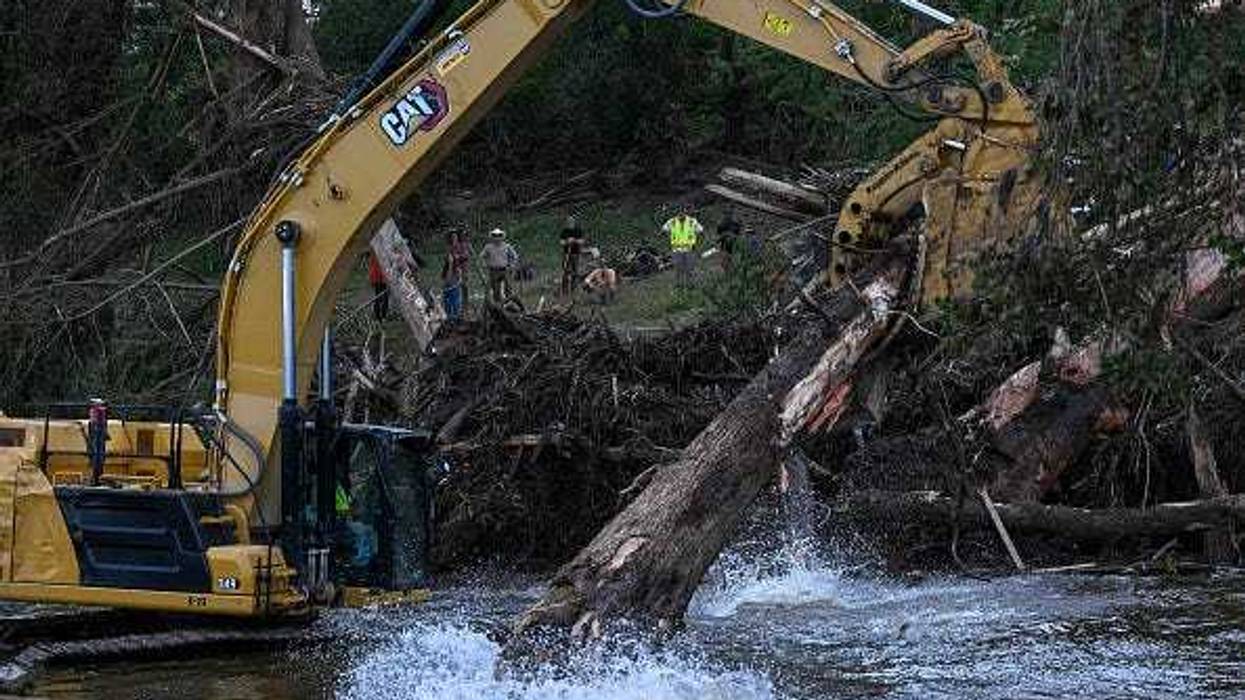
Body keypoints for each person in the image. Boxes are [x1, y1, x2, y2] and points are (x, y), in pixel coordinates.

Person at [662, 210, 703, 286]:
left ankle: (690, 285)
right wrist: (668, 238)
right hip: (676, 250)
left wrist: (697, 243)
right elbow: (663, 230)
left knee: (690, 268)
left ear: (685, 212)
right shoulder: (672, 221)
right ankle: (679, 285)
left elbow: (700, 231)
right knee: (678, 269)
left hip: (689, 249)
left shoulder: (692, 221)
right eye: (679, 212)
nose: (680, 214)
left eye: (682, 212)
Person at [479, 228, 518, 304]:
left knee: (508, 288)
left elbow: (514, 256)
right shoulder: (488, 247)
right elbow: (482, 256)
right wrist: (484, 264)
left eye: (498, 236)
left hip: (504, 269)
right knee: (496, 289)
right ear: (493, 237)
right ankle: (498, 305)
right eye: (495, 236)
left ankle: (509, 303)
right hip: (493, 270)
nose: (497, 238)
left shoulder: (506, 246)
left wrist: (511, 265)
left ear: (501, 236)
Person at [441, 232, 465, 323]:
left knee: (455, 296)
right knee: (449, 295)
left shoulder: (460, 248)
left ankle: (455, 316)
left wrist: (460, 273)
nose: (454, 239)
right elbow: (448, 263)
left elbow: (463, 259)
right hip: (450, 273)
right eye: (452, 237)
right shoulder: (449, 250)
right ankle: (450, 316)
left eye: (455, 237)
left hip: (456, 273)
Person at [560, 214, 586, 296]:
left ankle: (573, 288)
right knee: (565, 270)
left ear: (574, 222)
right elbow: (561, 242)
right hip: (566, 254)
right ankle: (564, 289)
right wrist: (567, 241)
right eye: (568, 221)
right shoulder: (564, 231)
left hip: (575, 253)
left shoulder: (578, 231)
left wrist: (574, 240)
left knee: (575, 271)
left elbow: (582, 241)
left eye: (571, 221)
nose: (570, 223)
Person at [449, 227, 472, 312]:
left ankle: (466, 305)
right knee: (458, 287)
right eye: (462, 235)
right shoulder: (455, 245)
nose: (464, 237)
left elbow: (469, 255)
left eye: (465, 235)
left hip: (465, 268)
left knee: (465, 287)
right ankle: (458, 306)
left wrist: (462, 256)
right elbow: (454, 256)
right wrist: (461, 257)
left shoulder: (467, 244)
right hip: (457, 269)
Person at [717, 209, 741, 273]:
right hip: (727, 245)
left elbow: (719, 233)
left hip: (729, 245)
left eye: (728, 214)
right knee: (726, 259)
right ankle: (728, 271)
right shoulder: (723, 223)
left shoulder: (723, 223)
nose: (727, 216)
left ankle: (728, 271)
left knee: (727, 259)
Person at [367, 251, 388, 321]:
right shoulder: (375, 255)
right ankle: (379, 316)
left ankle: (382, 315)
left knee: (383, 297)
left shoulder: (376, 254)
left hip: (381, 278)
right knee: (380, 297)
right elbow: (372, 268)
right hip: (378, 278)